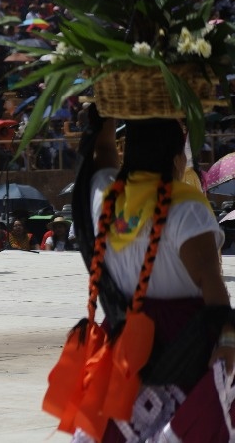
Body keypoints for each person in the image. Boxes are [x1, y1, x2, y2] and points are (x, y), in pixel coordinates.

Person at [54, 110, 235, 441]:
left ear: (129, 153)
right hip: (186, 343)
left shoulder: (105, 198)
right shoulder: (188, 209)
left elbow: (103, 156)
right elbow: (213, 289)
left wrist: (103, 118)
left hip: (124, 339)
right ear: (178, 158)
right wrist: (228, 340)